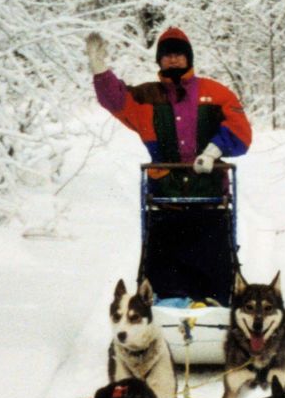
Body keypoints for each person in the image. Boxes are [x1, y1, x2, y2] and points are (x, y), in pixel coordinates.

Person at [87, 25, 252, 302]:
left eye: (179, 54)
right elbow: (116, 99)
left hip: (210, 195)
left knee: (213, 262)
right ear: (159, 60)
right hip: (165, 197)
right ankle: (166, 306)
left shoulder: (216, 93)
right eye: (167, 55)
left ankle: (214, 305)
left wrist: (212, 151)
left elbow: (242, 133)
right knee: (164, 265)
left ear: (189, 58)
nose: (173, 59)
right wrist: (100, 70)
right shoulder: (146, 97)